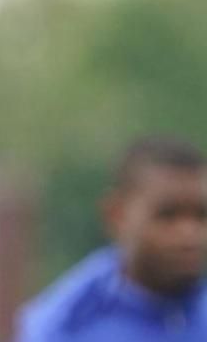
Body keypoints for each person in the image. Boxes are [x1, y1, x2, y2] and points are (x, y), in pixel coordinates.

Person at [14, 135, 207, 341]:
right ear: (117, 215)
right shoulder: (64, 328)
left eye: (202, 215)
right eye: (167, 216)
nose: (189, 234)